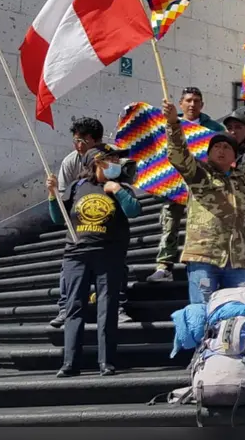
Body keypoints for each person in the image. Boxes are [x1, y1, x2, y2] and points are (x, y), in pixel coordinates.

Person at [45, 145, 141, 377]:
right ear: (98, 162)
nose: (117, 162)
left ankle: (106, 361)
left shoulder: (121, 187)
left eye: (117, 158)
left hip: (109, 255)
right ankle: (70, 362)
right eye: (112, 158)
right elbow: (59, 218)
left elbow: (134, 211)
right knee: (73, 307)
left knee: (107, 308)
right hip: (76, 254)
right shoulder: (77, 187)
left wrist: (117, 190)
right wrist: (52, 195)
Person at [162, 100, 245, 304]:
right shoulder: (199, 173)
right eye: (216, 146)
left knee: (237, 313)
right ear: (208, 152)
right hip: (204, 256)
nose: (221, 150)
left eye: (226, 147)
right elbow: (178, 155)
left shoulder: (243, 182)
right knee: (202, 312)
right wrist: (173, 124)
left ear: (234, 156)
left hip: (236, 260)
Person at [50, 118, 131, 328]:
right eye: (75, 140)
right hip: (80, 223)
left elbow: (126, 185)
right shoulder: (70, 162)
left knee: (116, 265)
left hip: (109, 223)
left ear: (95, 141)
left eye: (82, 140)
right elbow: (63, 195)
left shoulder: (112, 157)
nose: (77, 144)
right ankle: (64, 308)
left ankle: (118, 307)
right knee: (68, 266)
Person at [148, 88, 226, 283]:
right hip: (174, 185)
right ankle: (164, 265)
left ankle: (206, 262)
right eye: (189, 100)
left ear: (202, 105)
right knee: (169, 225)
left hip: (203, 186)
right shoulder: (169, 124)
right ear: (181, 104)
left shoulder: (214, 129)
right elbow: (158, 151)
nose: (192, 104)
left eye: (197, 101)